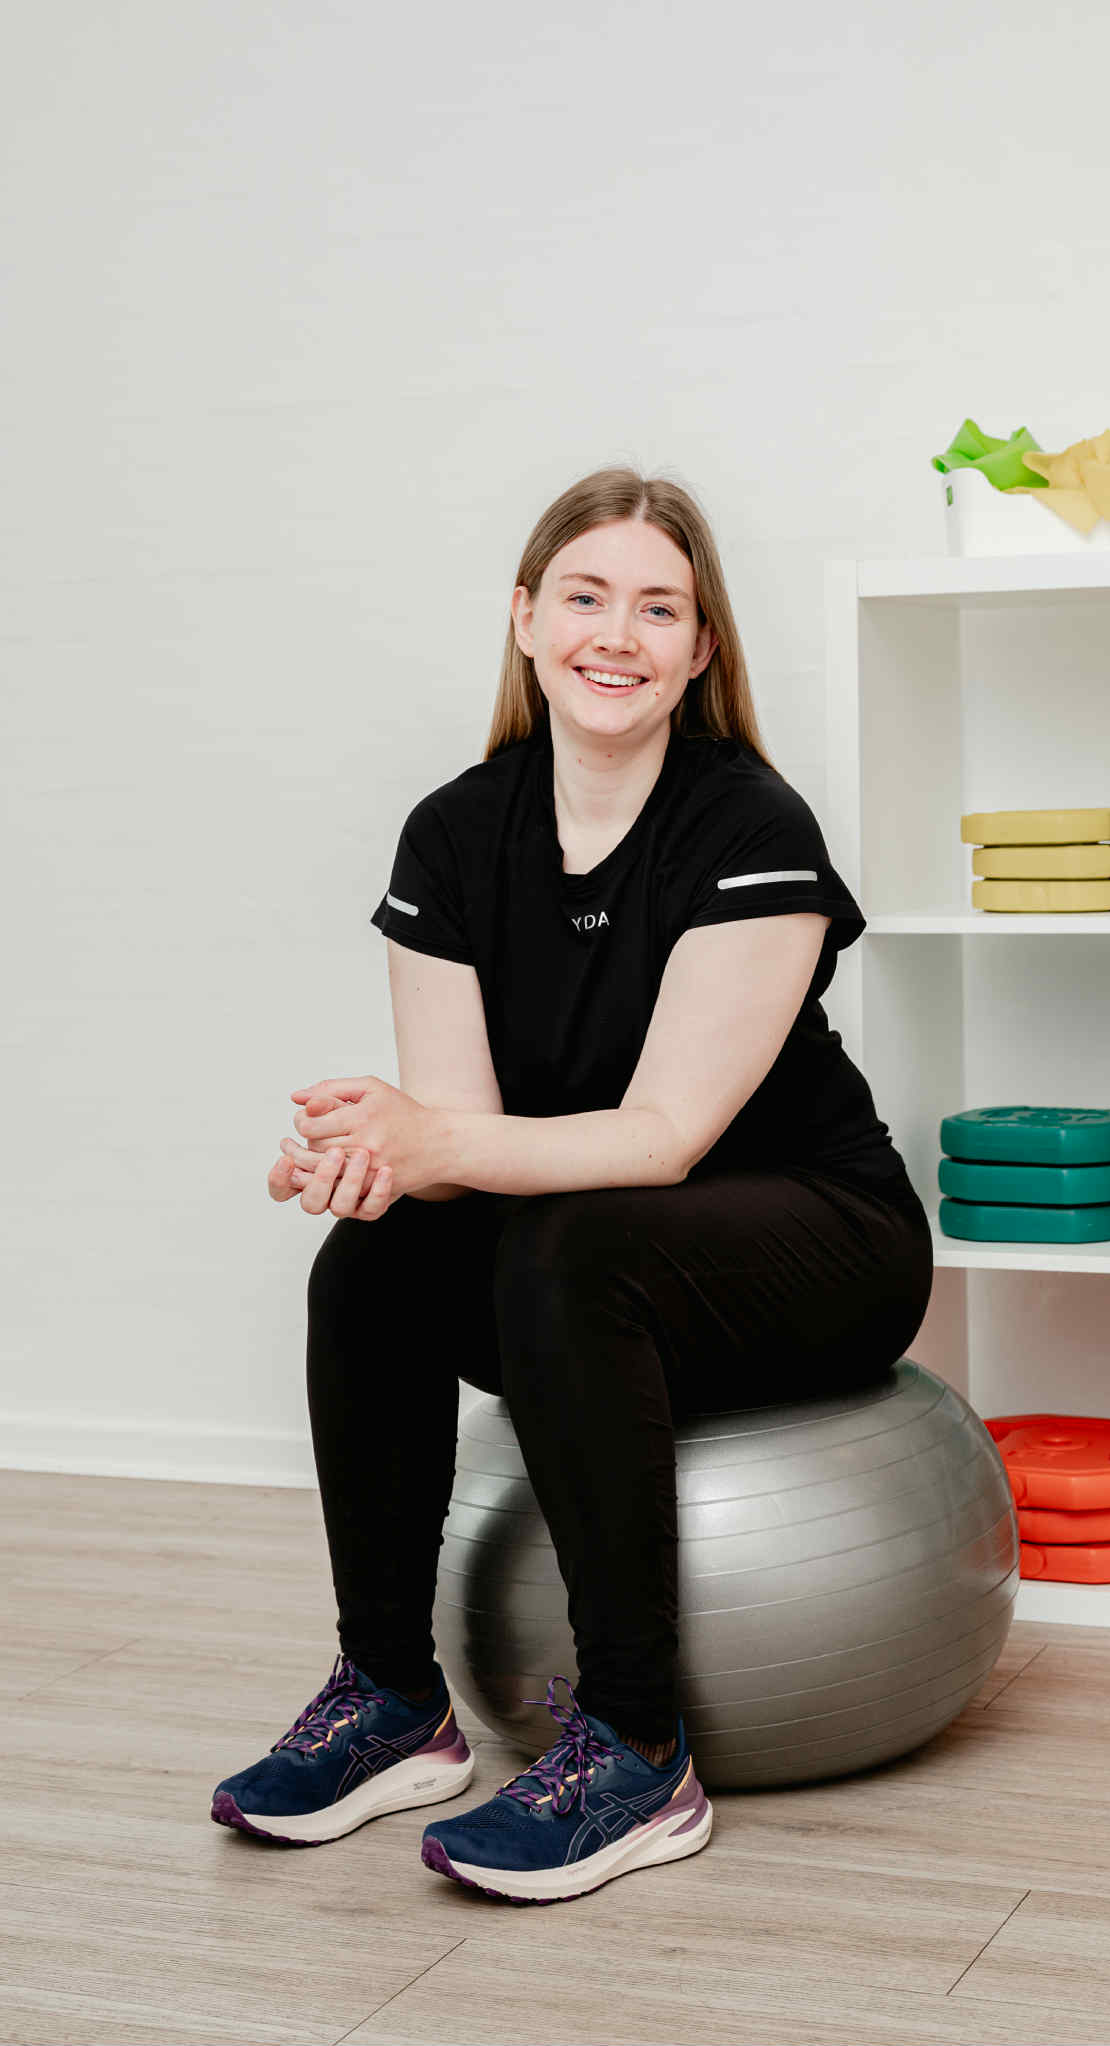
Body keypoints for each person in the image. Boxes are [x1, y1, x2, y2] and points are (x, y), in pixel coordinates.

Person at [210, 466, 934, 1904]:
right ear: (526, 618)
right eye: (587, 597)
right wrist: (373, 1154)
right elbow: (467, 1135)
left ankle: (638, 1751)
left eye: (660, 608)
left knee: (569, 1248)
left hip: (819, 1242)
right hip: (587, 1252)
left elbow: (662, 1137)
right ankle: (390, 1699)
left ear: (701, 648)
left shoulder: (752, 829)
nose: (618, 634)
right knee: (374, 1257)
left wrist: (433, 1143)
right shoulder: (453, 833)